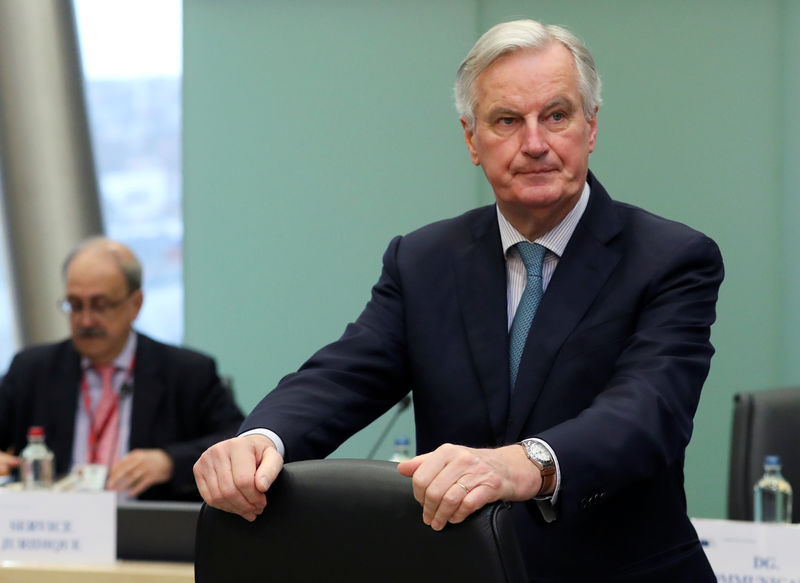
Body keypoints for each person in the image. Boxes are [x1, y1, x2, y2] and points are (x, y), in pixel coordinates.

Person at [193, 19, 723, 581]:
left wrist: (523, 464)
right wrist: (258, 440)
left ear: (591, 128)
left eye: (557, 115)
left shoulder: (670, 257)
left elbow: (647, 412)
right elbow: (344, 375)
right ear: (472, 139)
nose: (536, 143)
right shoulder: (424, 260)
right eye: (507, 121)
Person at [0, 237, 244, 500]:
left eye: (100, 305)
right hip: (54, 531)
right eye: (75, 305)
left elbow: (236, 440)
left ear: (135, 304)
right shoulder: (32, 370)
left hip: (145, 530)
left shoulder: (187, 373)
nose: (85, 319)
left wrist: (169, 461)